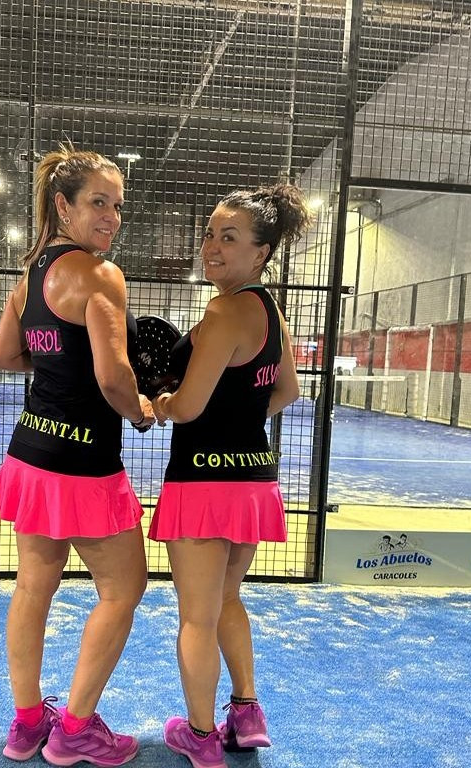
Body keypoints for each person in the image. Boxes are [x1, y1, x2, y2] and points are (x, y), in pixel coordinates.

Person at [0, 145, 155, 766]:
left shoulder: (31, 277)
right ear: (63, 206)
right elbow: (114, 379)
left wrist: (59, 364)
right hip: (83, 463)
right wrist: (140, 409)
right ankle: (76, 728)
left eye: (118, 205)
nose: (112, 216)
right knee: (124, 589)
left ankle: (28, 722)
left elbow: (3, 356)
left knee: (34, 586)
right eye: (98, 203)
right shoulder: (101, 274)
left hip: (31, 453)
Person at [148, 186, 313, 768]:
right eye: (211, 233)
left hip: (201, 482)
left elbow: (188, 407)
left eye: (230, 238)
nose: (212, 247)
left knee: (197, 617)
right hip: (253, 479)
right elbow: (287, 391)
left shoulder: (222, 312)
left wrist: (161, 403)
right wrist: (239, 420)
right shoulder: (269, 310)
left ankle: (199, 736)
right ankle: (246, 713)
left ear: (261, 252)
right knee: (226, 599)